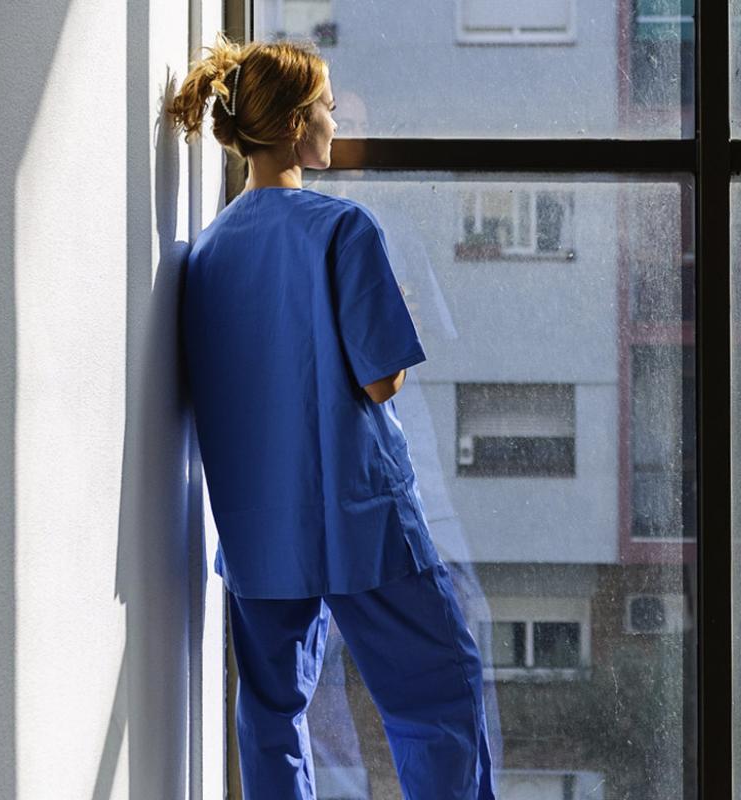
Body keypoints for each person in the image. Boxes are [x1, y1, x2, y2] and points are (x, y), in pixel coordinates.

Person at [167, 32, 497, 800]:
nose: (335, 119)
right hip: (358, 518)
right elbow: (382, 383)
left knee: (274, 711)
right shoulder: (343, 230)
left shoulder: (207, 254)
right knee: (438, 691)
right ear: (290, 126)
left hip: (258, 530)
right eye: (324, 106)